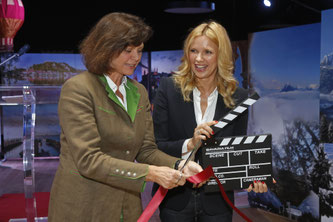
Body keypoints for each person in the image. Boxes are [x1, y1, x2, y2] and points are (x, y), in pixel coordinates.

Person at [48, 12, 203, 222]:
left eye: (139, 50)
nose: (136, 58)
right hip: (85, 207)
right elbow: (89, 160)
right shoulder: (78, 89)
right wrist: (152, 173)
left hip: (127, 208)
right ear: (105, 48)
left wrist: (180, 165)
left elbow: (146, 150)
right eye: (127, 50)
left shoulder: (138, 91)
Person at [152, 21, 266, 222]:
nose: (198, 59)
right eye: (193, 50)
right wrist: (190, 142)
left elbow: (237, 151)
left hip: (218, 203)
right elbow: (155, 147)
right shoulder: (168, 89)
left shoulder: (238, 97)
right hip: (175, 200)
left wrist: (253, 177)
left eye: (207, 52)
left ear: (220, 55)